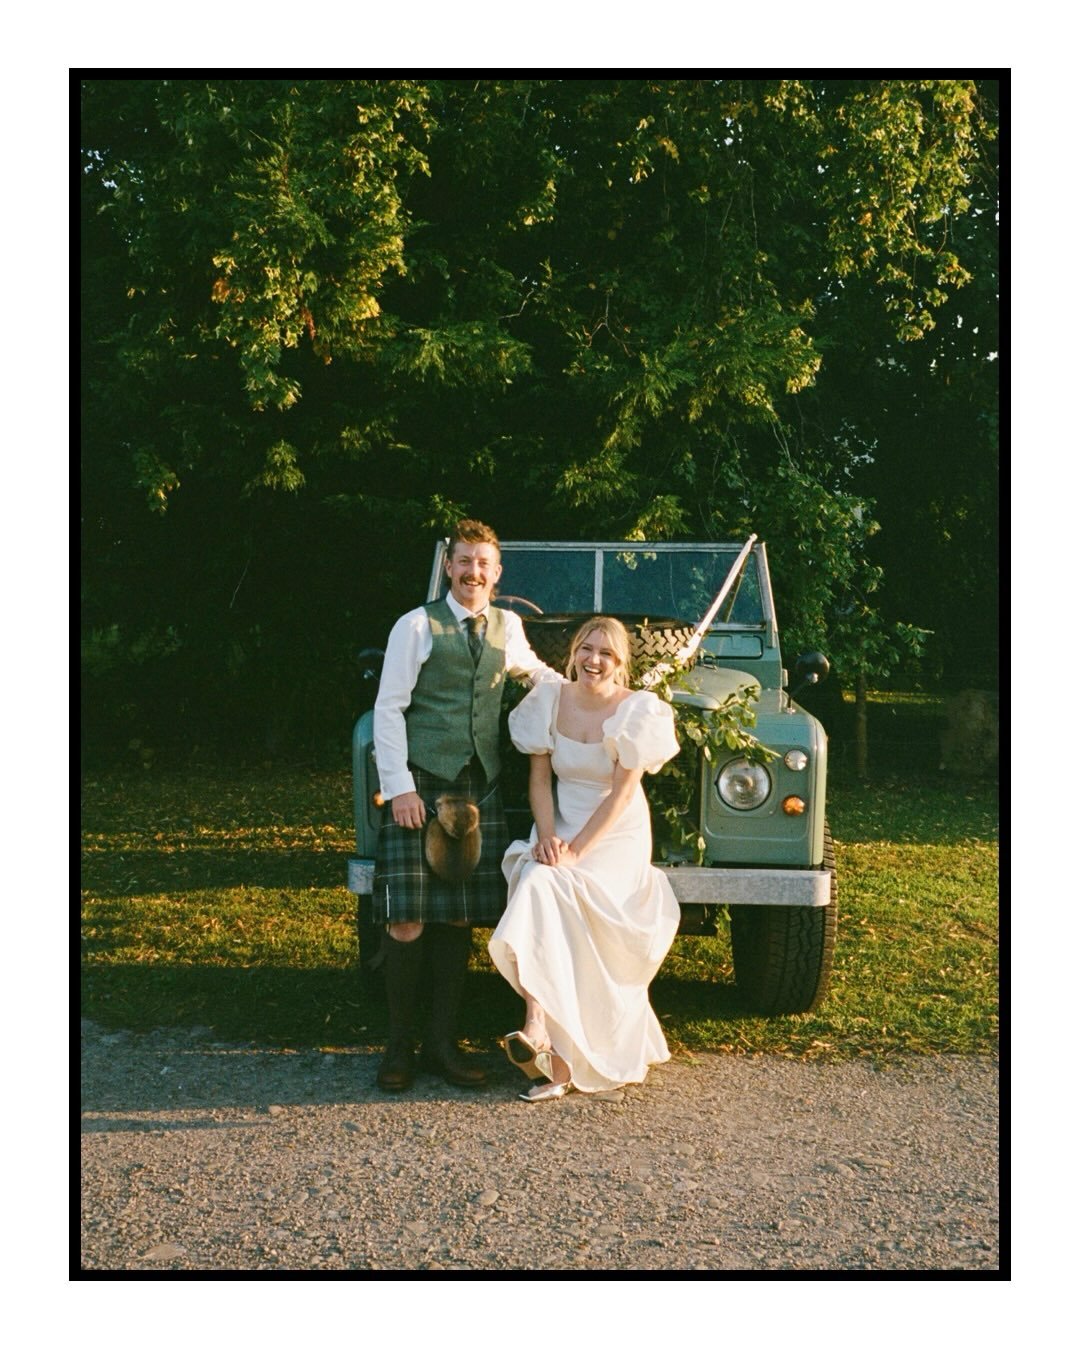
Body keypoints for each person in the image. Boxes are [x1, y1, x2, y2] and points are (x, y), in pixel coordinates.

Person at [371, 518, 556, 1091]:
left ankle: (441, 1048)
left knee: (455, 918)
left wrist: (602, 692)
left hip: (479, 789)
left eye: (484, 563)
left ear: (497, 574)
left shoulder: (509, 626)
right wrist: (400, 786)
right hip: (422, 785)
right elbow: (388, 708)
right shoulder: (416, 626)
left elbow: (538, 675)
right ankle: (398, 1048)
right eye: (464, 561)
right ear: (448, 566)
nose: (473, 571)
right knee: (405, 921)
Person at [488, 616, 681, 1102]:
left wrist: (577, 851)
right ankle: (541, 1031)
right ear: (573, 653)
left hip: (615, 835)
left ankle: (546, 1038)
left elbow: (621, 796)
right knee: (535, 877)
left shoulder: (636, 711)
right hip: (563, 821)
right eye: (586, 649)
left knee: (556, 886)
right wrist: (550, 838)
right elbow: (540, 782)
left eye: (607, 654)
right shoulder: (549, 701)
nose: (594, 661)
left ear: (620, 664)